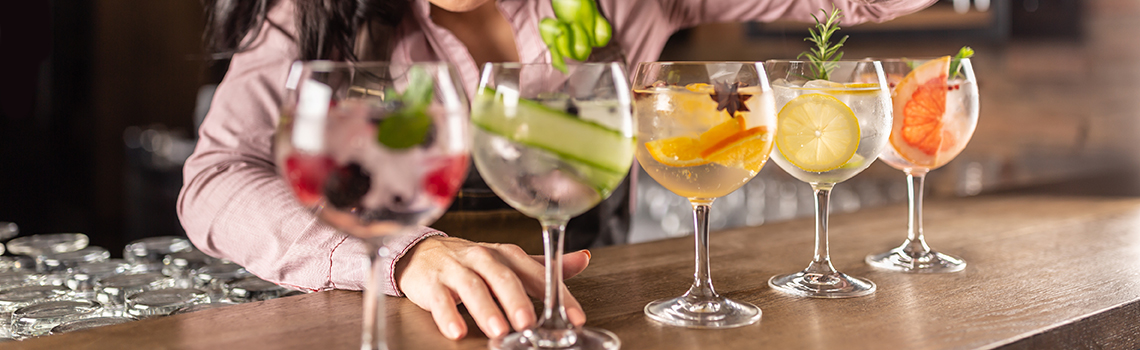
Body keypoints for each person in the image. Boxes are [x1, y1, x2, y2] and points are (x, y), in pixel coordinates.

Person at [180, 0, 935, 341]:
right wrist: (408, 256)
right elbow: (214, 177)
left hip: (593, 317)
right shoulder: (313, 14)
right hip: (388, 324)